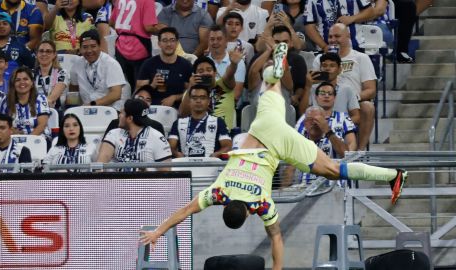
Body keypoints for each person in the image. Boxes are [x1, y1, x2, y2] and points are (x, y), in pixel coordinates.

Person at [140, 43, 407, 270]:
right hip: (260, 128)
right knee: (271, 83)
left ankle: (392, 176)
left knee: (335, 170)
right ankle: (277, 67)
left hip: (279, 144)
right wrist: (158, 230)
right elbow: (185, 210)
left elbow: (277, 238)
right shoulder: (218, 193)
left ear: (246, 215)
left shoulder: (261, 204)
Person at [313, 23, 376, 150]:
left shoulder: (361, 58)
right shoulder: (320, 59)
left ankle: (360, 152)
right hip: (325, 102)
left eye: (337, 36)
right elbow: (314, 86)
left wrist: (350, 98)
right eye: (330, 37)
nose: (333, 40)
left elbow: (371, 90)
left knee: (367, 107)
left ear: (348, 36)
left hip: (352, 105)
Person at [285, 84, 357, 187]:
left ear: (334, 98)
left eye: (330, 94)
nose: (326, 96)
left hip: (335, 184)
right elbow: (292, 156)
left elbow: (349, 155)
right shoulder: (303, 119)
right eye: (322, 93)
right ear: (316, 97)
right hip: (305, 185)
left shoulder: (343, 118)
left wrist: (327, 130)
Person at [97, 98, 172, 171]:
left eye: (122, 113)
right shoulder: (113, 134)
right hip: (116, 182)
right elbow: (101, 162)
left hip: (146, 182)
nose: (119, 115)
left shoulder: (157, 138)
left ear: (129, 118)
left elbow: (166, 171)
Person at [179, 52, 243, 130]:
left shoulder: (224, 85)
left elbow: (229, 74)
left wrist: (233, 64)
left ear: (215, 73)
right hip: (200, 136)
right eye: (200, 71)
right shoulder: (191, 93)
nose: (205, 73)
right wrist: (190, 88)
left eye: (209, 70)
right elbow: (183, 115)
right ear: (194, 75)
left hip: (223, 136)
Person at [69, 29, 130, 111]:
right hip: (86, 110)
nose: (89, 51)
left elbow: (116, 94)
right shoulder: (77, 64)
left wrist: (92, 105)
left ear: (100, 46)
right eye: (85, 47)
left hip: (110, 109)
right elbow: (73, 89)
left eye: (93, 46)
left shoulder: (110, 63)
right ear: (80, 49)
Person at [168, 84, 232, 158]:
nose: (198, 101)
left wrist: (217, 154)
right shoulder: (178, 123)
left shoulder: (218, 122)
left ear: (208, 101)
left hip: (210, 165)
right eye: (194, 98)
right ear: (189, 101)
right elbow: (170, 147)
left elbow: (227, 146)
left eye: (202, 98)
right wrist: (176, 154)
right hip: (185, 165)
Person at [109, 0, 160, 92]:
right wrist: (166, 30)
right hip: (140, 47)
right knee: (141, 89)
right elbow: (148, 27)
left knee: (125, 88)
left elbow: (112, 22)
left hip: (120, 46)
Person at [136, 27, 192, 108]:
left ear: (177, 43)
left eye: (172, 40)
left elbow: (190, 92)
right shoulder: (148, 64)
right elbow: (138, 93)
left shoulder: (185, 65)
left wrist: (175, 97)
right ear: (159, 43)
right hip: (151, 108)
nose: (169, 44)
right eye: (165, 40)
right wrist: (152, 85)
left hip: (176, 109)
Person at [300, 52, 360, 124]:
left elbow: (356, 116)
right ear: (320, 69)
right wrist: (307, 87)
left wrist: (338, 125)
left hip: (340, 130)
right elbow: (302, 113)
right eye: (324, 65)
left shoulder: (347, 89)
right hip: (317, 129)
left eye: (332, 66)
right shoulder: (312, 88)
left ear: (339, 70)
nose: (327, 68)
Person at [0, 66, 51, 137]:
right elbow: (1, 124)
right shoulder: (6, 100)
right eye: (18, 80)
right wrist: (12, 131)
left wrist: (27, 140)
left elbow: (42, 125)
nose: (22, 82)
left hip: (38, 140)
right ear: (13, 84)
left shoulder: (40, 99)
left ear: (32, 83)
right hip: (14, 139)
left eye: (25, 79)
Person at [207, 25, 246, 103]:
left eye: (219, 39)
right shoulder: (202, 62)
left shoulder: (238, 62)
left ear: (226, 42)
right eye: (212, 39)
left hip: (230, 108)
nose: (215, 42)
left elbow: (236, 94)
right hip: (205, 108)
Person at [34, 40, 70, 111]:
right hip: (34, 112)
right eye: (41, 51)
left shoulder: (60, 73)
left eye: (48, 51)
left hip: (55, 112)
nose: (44, 54)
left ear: (54, 55)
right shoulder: (32, 74)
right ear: (36, 54)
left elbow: (52, 98)